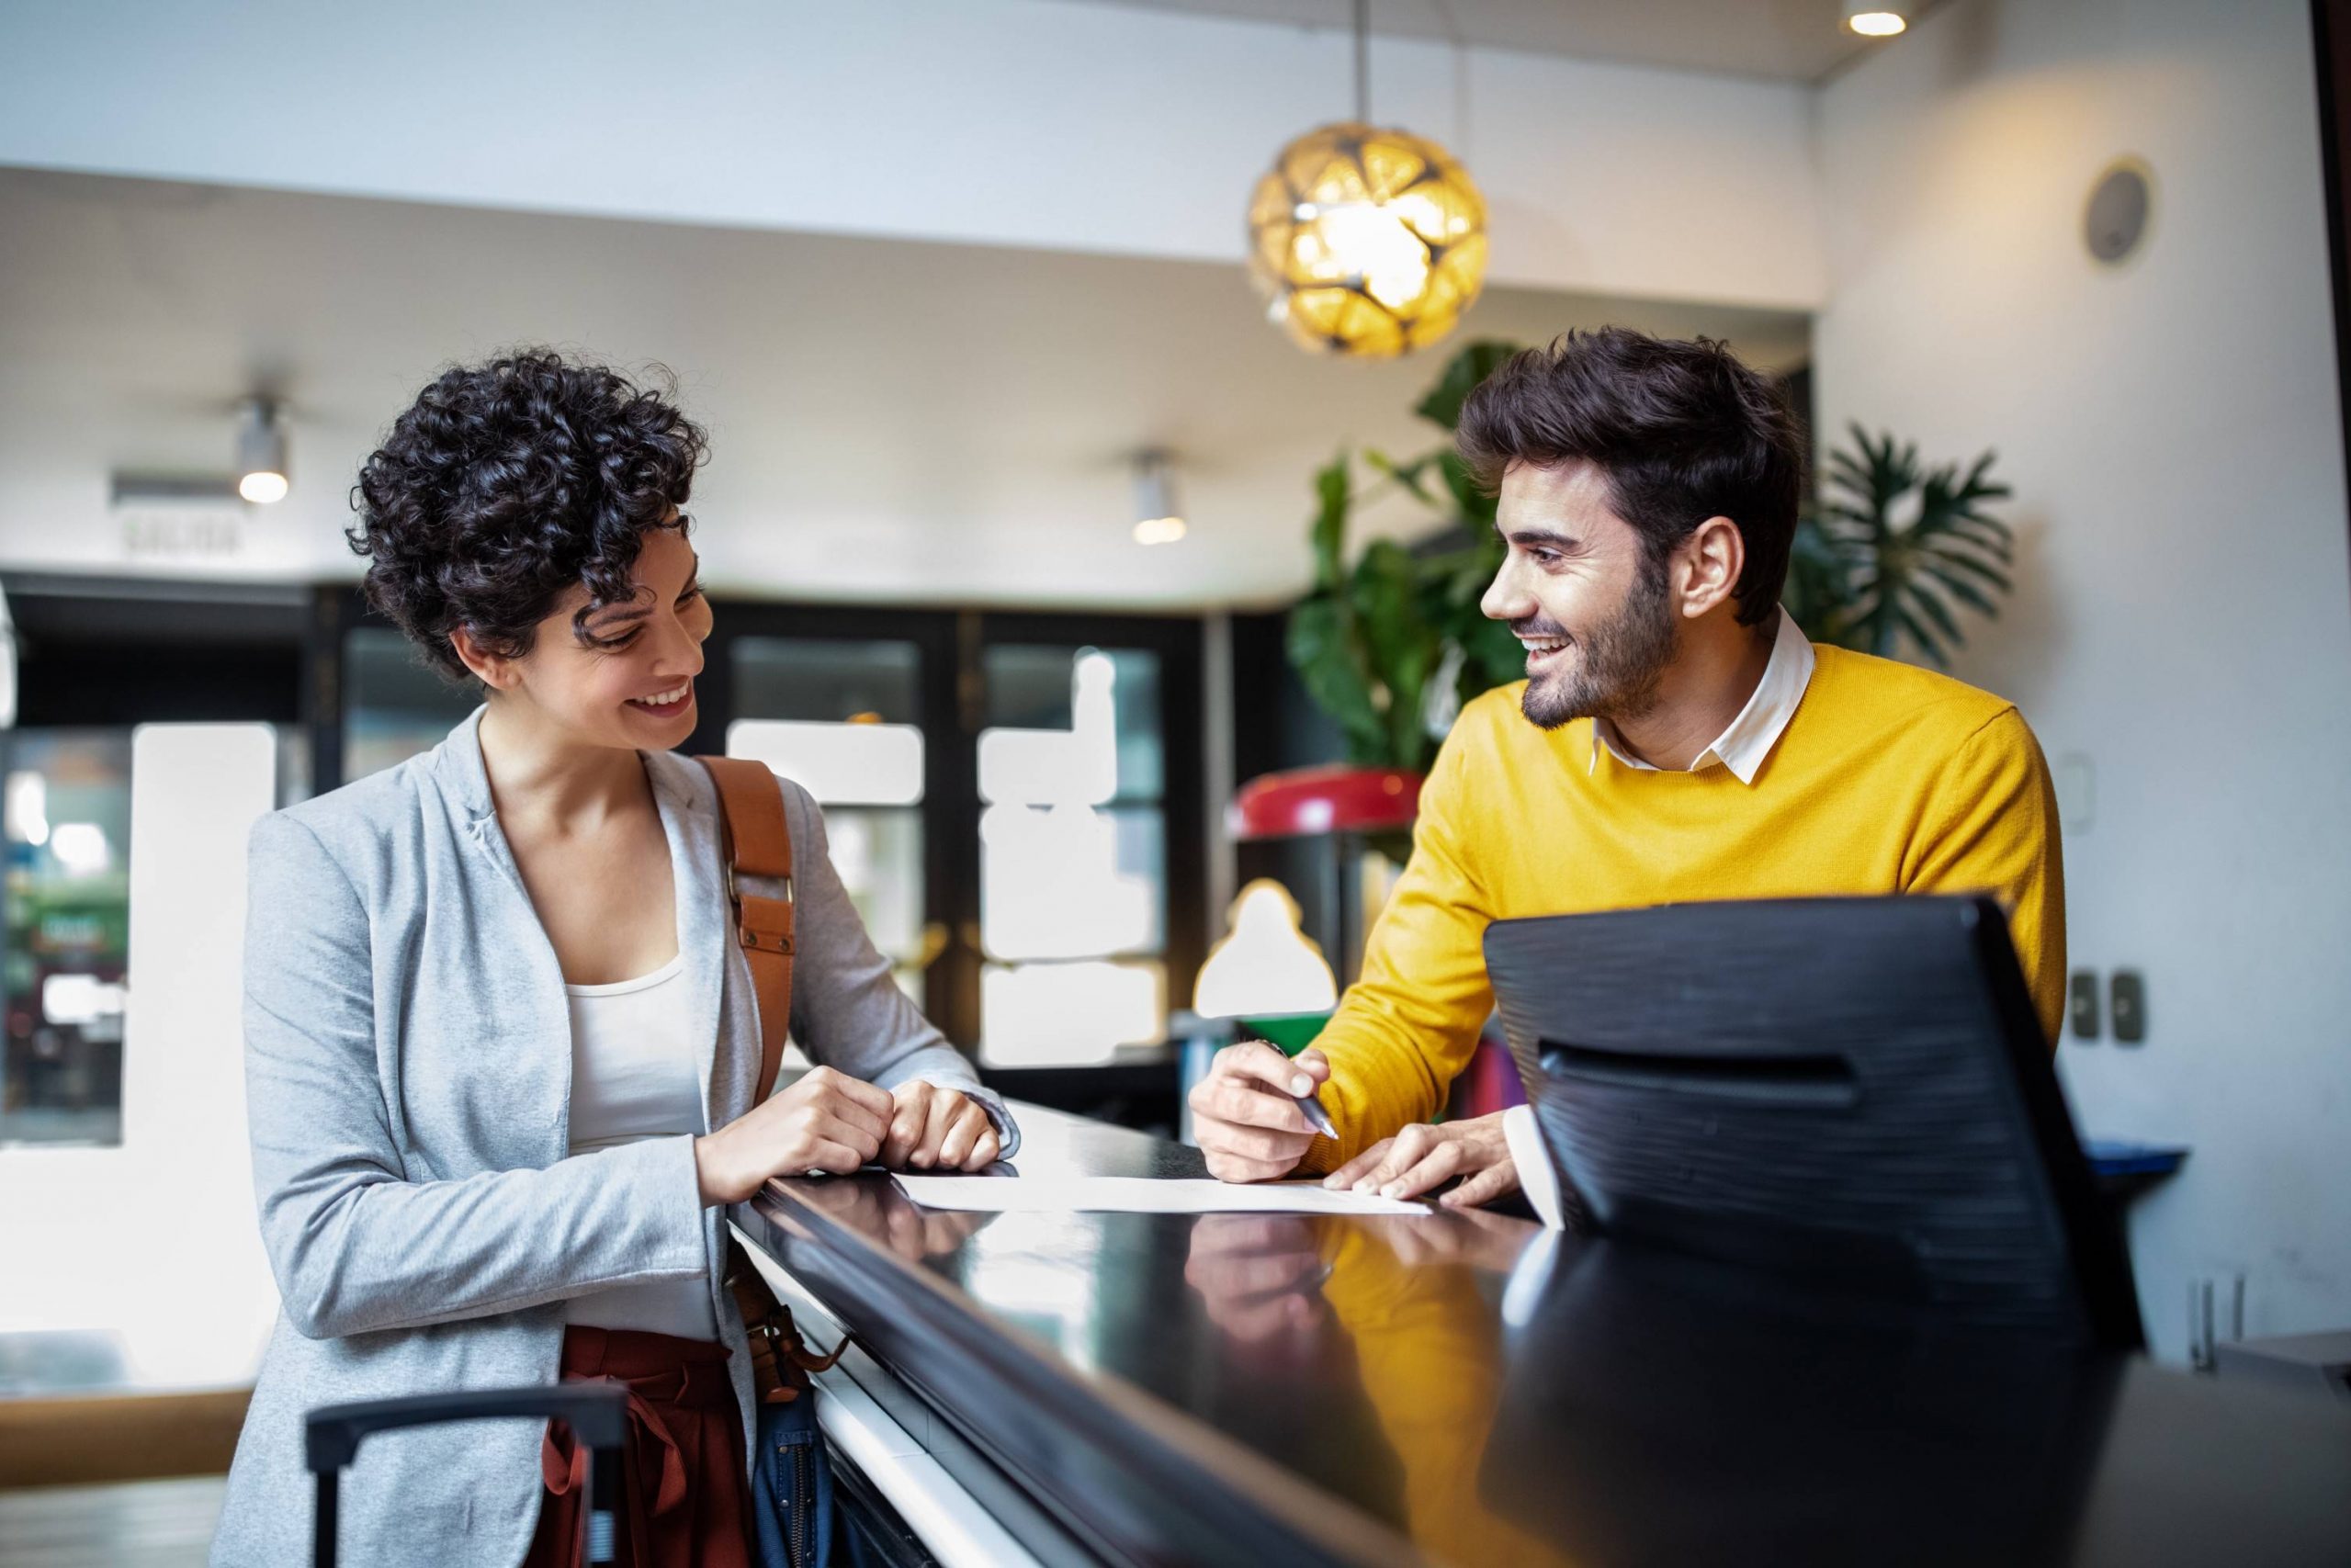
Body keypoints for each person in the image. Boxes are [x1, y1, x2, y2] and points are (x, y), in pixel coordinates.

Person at [210, 352, 1016, 1567]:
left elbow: (906, 1048)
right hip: (432, 1466)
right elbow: (332, 1250)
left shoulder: (759, 821)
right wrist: (696, 1166)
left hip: (707, 1432)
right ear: (489, 649)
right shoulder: (332, 860)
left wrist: (953, 1108)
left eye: (688, 599)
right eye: (622, 630)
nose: (684, 653)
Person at [1189, 328, 2063, 1207]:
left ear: (1704, 567)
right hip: (1592, 1298)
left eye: (1549, 553)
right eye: (1507, 549)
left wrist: (1565, 1138)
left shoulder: (1956, 758)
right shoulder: (1494, 751)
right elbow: (1406, 1022)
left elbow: (1955, 1111)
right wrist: (1295, 1114)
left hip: (1872, 1310)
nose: (1500, 597)